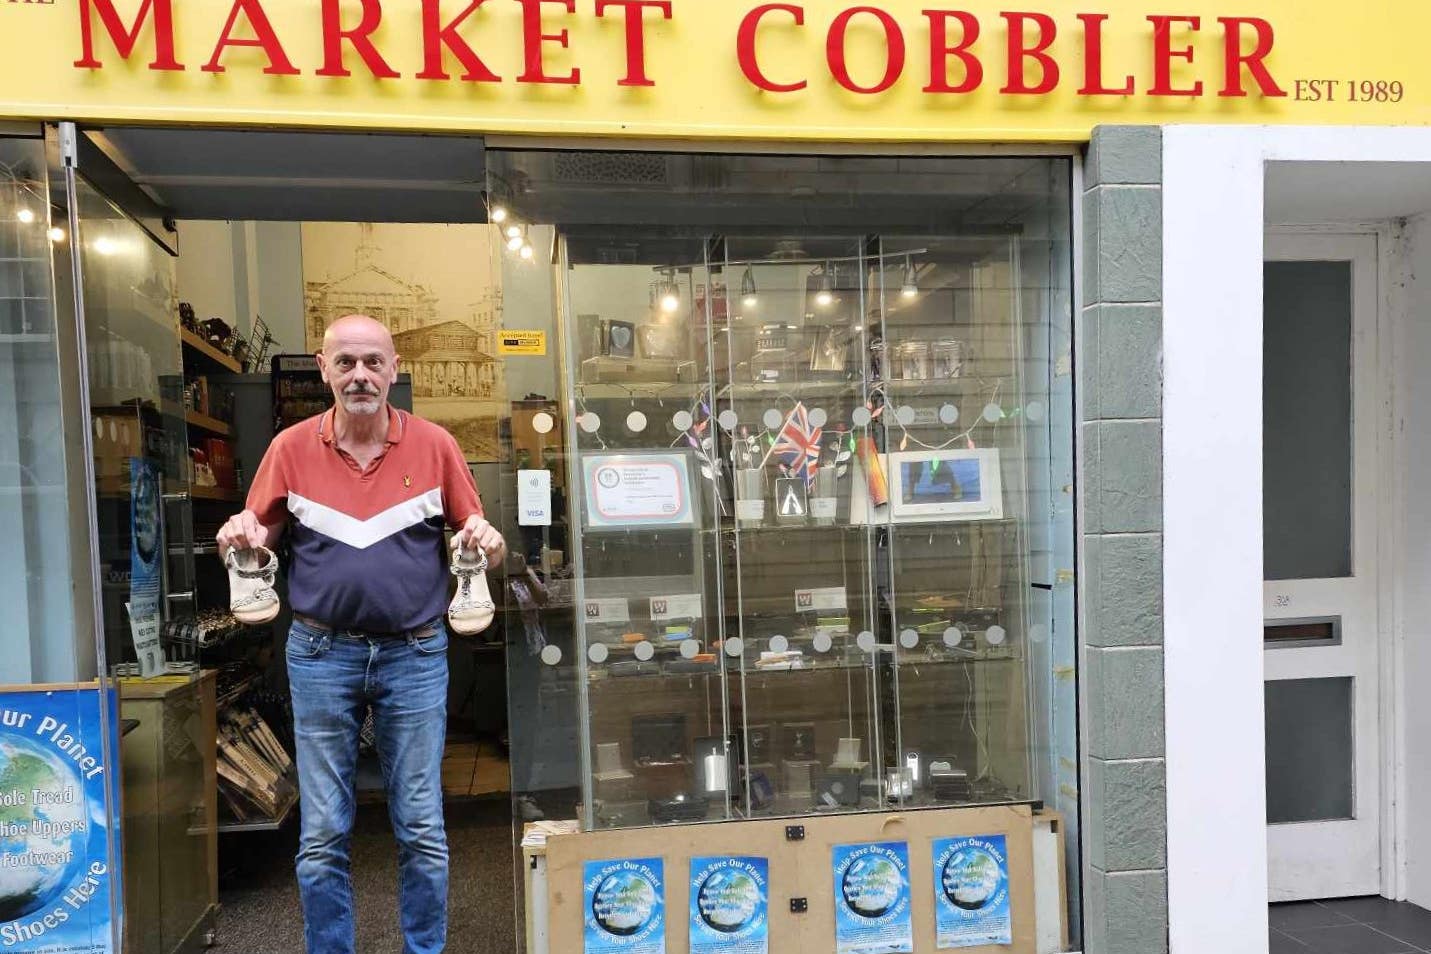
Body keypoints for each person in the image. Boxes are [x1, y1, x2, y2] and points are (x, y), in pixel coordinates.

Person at [216, 314, 505, 954]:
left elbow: (476, 539)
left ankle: (423, 950)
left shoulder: (436, 446)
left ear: (394, 370)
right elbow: (257, 540)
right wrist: (239, 538)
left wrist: (490, 539)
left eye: (373, 362)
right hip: (321, 653)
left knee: (422, 826)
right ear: (324, 370)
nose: (360, 376)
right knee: (322, 832)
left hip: (417, 652)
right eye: (345, 363)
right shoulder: (289, 449)